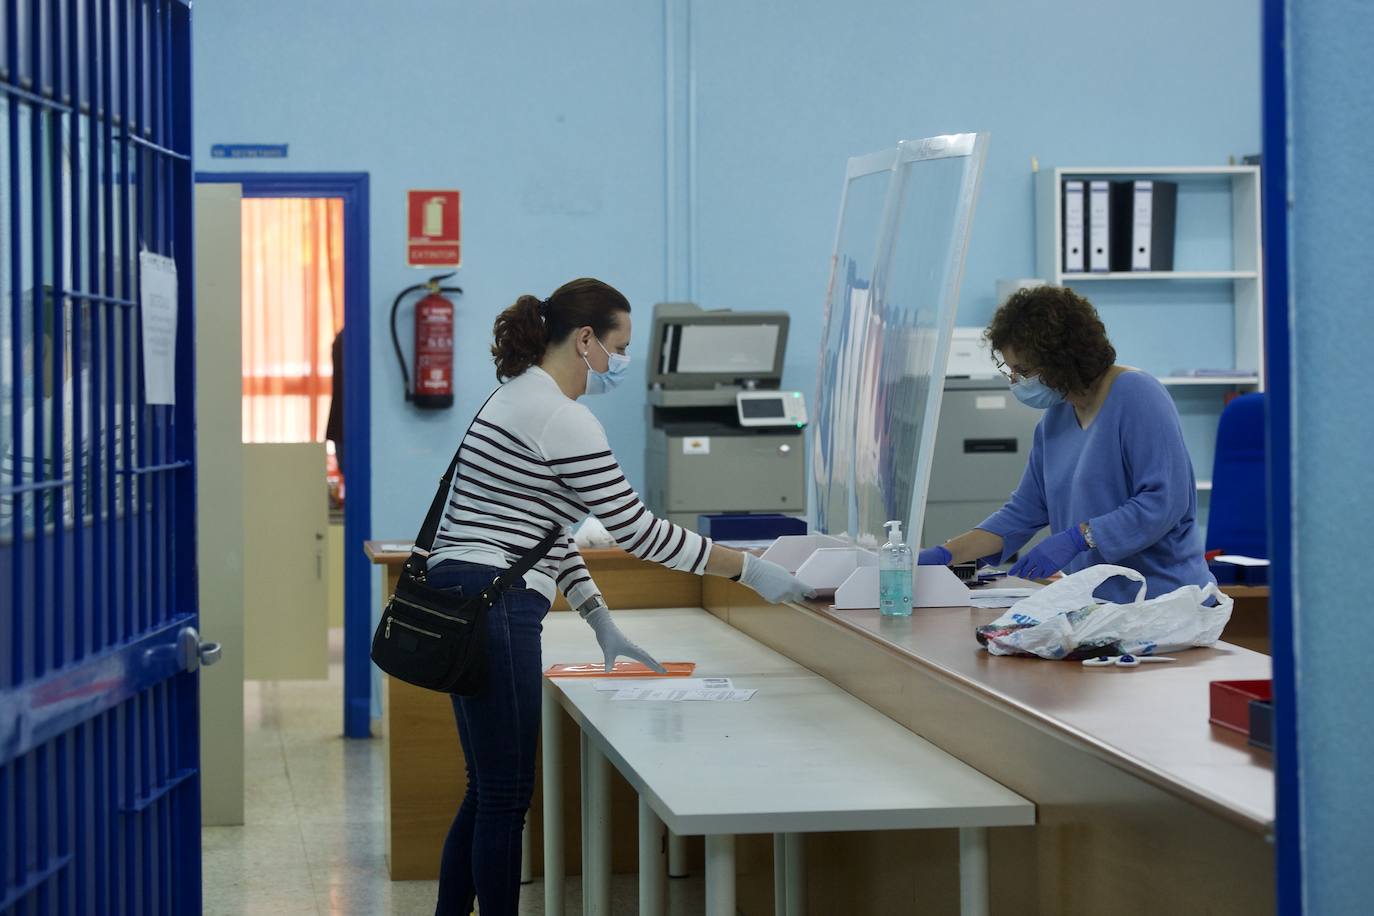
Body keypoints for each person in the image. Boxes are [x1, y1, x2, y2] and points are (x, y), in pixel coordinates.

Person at [427, 277, 813, 916]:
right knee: (503, 795)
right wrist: (750, 570)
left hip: (469, 595)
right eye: (620, 345)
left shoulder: (517, 397)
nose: (622, 362)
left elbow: (546, 537)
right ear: (585, 340)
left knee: (485, 789)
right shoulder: (561, 416)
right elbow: (637, 531)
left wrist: (598, 616)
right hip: (493, 608)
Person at [916, 285, 1211, 603]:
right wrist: (945, 555)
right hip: (1097, 603)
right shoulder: (1055, 418)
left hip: (1164, 600)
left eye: (1023, 370)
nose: (1015, 381)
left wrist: (1080, 537)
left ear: (1060, 359)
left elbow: (1164, 502)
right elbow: (1022, 513)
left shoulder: (1137, 396)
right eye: (1010, 370)